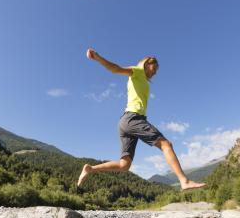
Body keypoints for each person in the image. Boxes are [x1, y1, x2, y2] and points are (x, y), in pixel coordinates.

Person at [77, 48, 206, 190]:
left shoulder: (142, 79)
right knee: (166, 145)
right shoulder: (137, 71)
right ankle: (184, 181)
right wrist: (98, 57)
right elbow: (116, 69)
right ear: (146, 63)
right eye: (154, 67)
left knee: (124, 165)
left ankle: (91, 169)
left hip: (125, 122)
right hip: (133, 118)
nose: (155, 72)